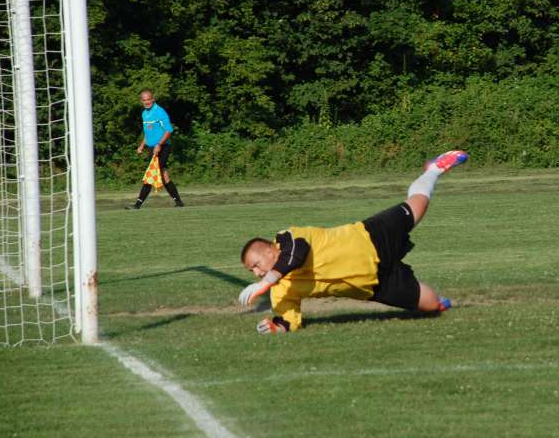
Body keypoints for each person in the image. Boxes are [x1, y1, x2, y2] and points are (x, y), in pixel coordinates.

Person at [236, 150, 468, 334]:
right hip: (372, 284)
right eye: (252, 271)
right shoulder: (279, 291)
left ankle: (433, 170)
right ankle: (436, 301)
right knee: (433, 306)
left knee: (418, 204)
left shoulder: (288, 238)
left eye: (256, 264)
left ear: (269, 249)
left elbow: (297, 255)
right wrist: (277, 327)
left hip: (369, 237)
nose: (256, 273)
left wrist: (265, 282)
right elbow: (289, 320)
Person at [127, 89, 185, 209]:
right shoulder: (144, 113)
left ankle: (137, 205)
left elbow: (169, 130)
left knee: (151, 173)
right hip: (152, 148)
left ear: (153, 99)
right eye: (144, 100)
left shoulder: (160, 112)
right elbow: (148, 133)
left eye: (149, 99)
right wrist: (142, 145)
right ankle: (179, 202)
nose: (147, 102)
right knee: (164, 175)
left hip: (162, 147)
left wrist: (159, 145)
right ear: (141, 101)